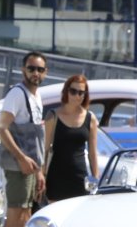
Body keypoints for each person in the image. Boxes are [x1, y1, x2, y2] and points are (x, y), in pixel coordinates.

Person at [0, 52, 48, 227]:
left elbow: (36, 137)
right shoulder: (17, 94)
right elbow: (2, 128)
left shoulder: (36, 96)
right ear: (23, 69)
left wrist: (39, 171)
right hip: (18, 165)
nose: (35, 73)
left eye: (40, 69)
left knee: (25, 215)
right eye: (31, 68)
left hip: (30, 166)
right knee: (15, 214)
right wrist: (21, 158)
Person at [42, 72, 100, 202]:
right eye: (73, 91)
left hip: (79, 177)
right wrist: (41, 176)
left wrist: (95, 177)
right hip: (56, 176)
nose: (77, 96)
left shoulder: (90, 118)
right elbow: (45, 149)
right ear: (66, 92)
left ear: (85, 95)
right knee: (54, 212)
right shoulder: (53, 116)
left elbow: (92, 153)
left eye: (81, 92)